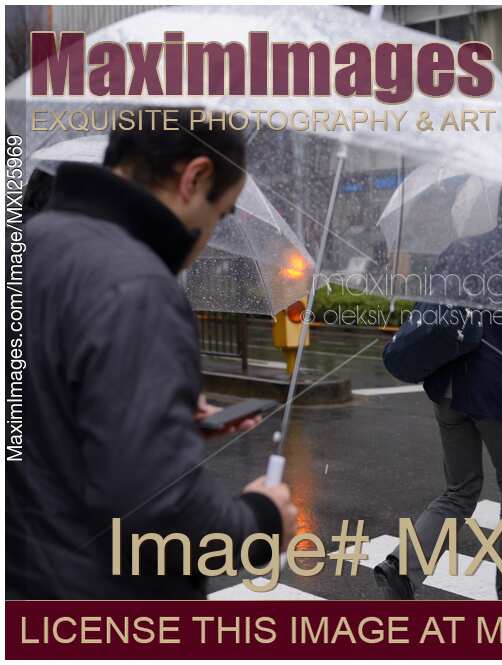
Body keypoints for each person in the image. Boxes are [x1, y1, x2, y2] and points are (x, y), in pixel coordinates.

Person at [9, 110, 298, 599]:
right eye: (222, 212)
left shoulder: (29, 248)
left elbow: (43, 407)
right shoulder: (138, 284)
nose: (209, 236)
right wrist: (260, 522)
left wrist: (163, 412)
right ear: (195, 177)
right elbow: (159, 505)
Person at [374, 189, 502, 600]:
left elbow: (432, 310)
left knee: (460, 489)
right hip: (497, 394)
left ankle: (402, 566)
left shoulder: (460, 249)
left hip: (448, 387)